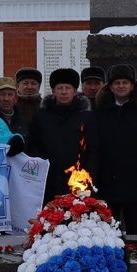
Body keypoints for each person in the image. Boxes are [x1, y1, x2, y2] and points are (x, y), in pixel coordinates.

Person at [94, 63, 137, 235]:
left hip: (135, 184)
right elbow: (95, 146)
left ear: (132, 86)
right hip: (107, 183)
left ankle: (136, 261)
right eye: (117, 83)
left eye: (125, 82)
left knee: (135, 230)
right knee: (108, 232)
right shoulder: (101, 111)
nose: (121, 86)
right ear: (110, 86)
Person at [26, 68, 99, 204]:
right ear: (53, 91)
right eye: (60, 88)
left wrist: (89, 174)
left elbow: (92, 148)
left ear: (75, 91)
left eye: (68, 88)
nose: (64, 92)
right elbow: (33, 145)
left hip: (77, 178)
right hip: (48, 179)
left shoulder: (86, 117)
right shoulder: (41, 116)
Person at [15, 67, 43, 134]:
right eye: (25, 83)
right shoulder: (11, 106)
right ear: (18, 86)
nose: (29, 87)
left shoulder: (45, 107)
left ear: (39, 87)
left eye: (33, 83)